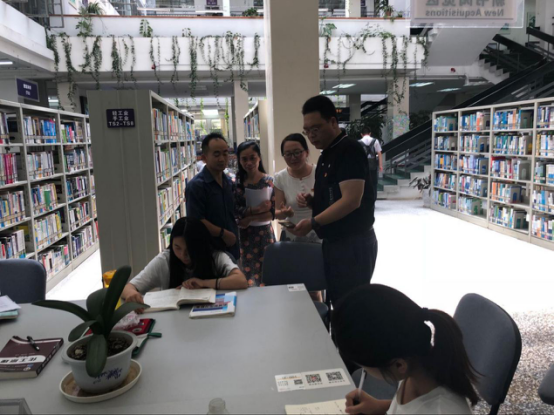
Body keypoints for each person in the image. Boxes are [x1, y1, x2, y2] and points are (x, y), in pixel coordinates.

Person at [333, 285, 479, 415]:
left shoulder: (444, 410)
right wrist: (379, 407)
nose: (364, 371)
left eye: (365, 368)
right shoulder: (416, 365)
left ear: (399, 365)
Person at [290, 95, 378, 305]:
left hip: (353, 243)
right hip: (335, 242)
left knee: (350, 306)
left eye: (316, 128)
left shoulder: (349, 150)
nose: (311, 135)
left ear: (332, 122)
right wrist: (314, 201)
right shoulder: (326, 154)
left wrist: (313, 222)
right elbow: (334, 196)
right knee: (337, 302)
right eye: (307, 131)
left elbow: (351, 200)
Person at [122, 218, 248, 310]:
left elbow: (241, 280)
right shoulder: (164, 260)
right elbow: (128, 287)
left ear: (201, 246)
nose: (183, 255)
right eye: (177, 248)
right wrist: (131, 294)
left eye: (190, 250)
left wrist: (204, 283)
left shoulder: (215, 257)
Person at [186, 133, 239, 261]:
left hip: (231, 248)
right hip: (209, 252)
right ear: (204, 157)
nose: (222, 159)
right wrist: (223, 233)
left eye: (225, 153)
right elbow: (196, 221)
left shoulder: (228, 181)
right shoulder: (196, 186)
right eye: (216, 154)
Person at [234, 141, 276, 287]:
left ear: (259, 157)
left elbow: (272, 213)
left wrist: (250, 217)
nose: (249, 163)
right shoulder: (236, 183)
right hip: (244, 235)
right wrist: (256, 209)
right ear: (239, 161)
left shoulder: (269, 181)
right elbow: (234, 209)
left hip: (265, 234)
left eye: (252, 158)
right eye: (244, 159)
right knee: (247, 275)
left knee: (267, 273)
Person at [274, 134, 320, 243]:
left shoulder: (319, 172)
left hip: (318, 232)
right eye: (288, 154)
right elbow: (278, 213)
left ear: (306, 152)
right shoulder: (280, 178)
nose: (293, 158)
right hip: (292, 234)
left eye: (297, 152)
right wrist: (285, 213)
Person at [359, 127, 383, 201]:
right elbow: (379, 153)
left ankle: (363, 199)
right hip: (373, 166)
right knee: (373, 183)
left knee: (363, 183)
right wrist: (380, 165)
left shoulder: (359, 142)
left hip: (362, 166)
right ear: (370, 133)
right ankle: (373, 199)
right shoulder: (375, 141)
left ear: (361, 134)